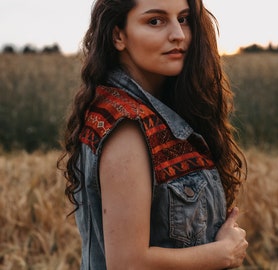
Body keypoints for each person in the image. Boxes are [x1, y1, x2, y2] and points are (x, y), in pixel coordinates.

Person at [58, 0, 248, 269]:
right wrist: (223, 253)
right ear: (118, 35)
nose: (178, 35)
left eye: (183, 19)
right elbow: (128, 263)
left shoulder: (151, 112)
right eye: (155, 21)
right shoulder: (127, 128)